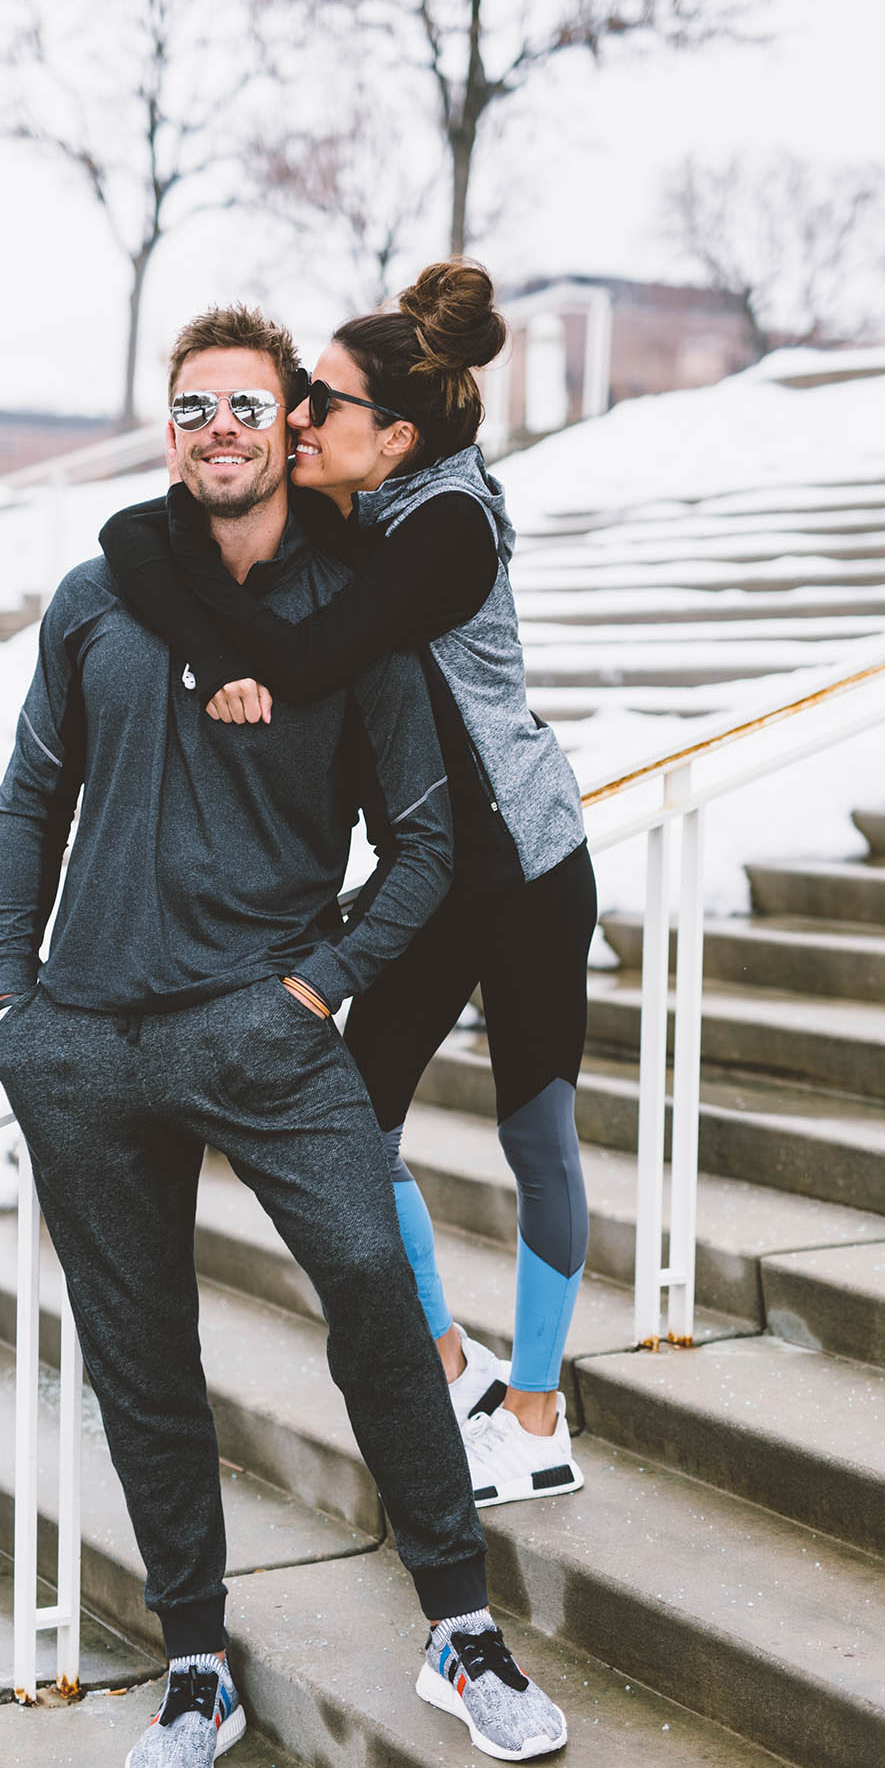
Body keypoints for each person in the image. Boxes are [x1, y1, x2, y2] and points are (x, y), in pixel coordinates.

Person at [0, 302, 567, 1768]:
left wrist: (321, 987)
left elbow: (428, 841)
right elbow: (29, 800)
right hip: (89, 1047)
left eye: (250, 406)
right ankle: (196, 1663)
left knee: (375, 1293)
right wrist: (14, 1000)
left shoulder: (356, 603)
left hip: (266, 1028)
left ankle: (460, 1627)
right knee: (142, 1355)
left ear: (289, 418)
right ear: (167, 427)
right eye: (195, 409)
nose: (223, 430)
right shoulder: (96, 598)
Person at [99, 261, 596, 1513]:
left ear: (396, 435)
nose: (299, 418)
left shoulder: (446, 526)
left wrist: (217, 634)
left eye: (321, 400)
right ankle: (445, 1366)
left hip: (527, 869)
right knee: (356, 1130)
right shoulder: (362, 512)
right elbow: (135, 535)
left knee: (536, 1132)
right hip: (428, 883)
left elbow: (311, 660)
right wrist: (207, 611)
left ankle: (535, 1411)